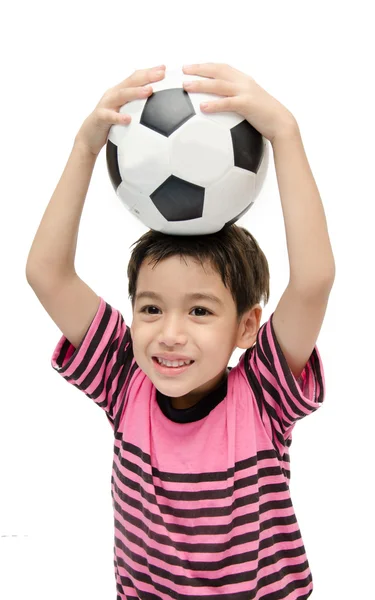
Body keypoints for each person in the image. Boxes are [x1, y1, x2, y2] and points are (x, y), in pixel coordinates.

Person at [26, 63, 335, 599]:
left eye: (199, 312)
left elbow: (313, 281)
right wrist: (84, 148)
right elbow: (46, 274)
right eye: (150, 310)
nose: (169, 334)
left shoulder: (263, 395)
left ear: (246, 326)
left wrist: (285, 134)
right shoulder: (125, 382)